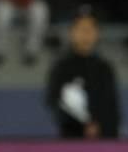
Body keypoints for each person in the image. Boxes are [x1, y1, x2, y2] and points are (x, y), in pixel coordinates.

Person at [45, 8, 121, 140]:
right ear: (72, 32)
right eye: (81, 29)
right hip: (72, 140)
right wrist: (83, 125)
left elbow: (112, 106)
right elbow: (54, 100)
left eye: (90, 29)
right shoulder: (62, 67)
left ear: (97, 33)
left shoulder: (104, 68)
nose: (86, 34)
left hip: (105, 141)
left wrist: (109, 130)